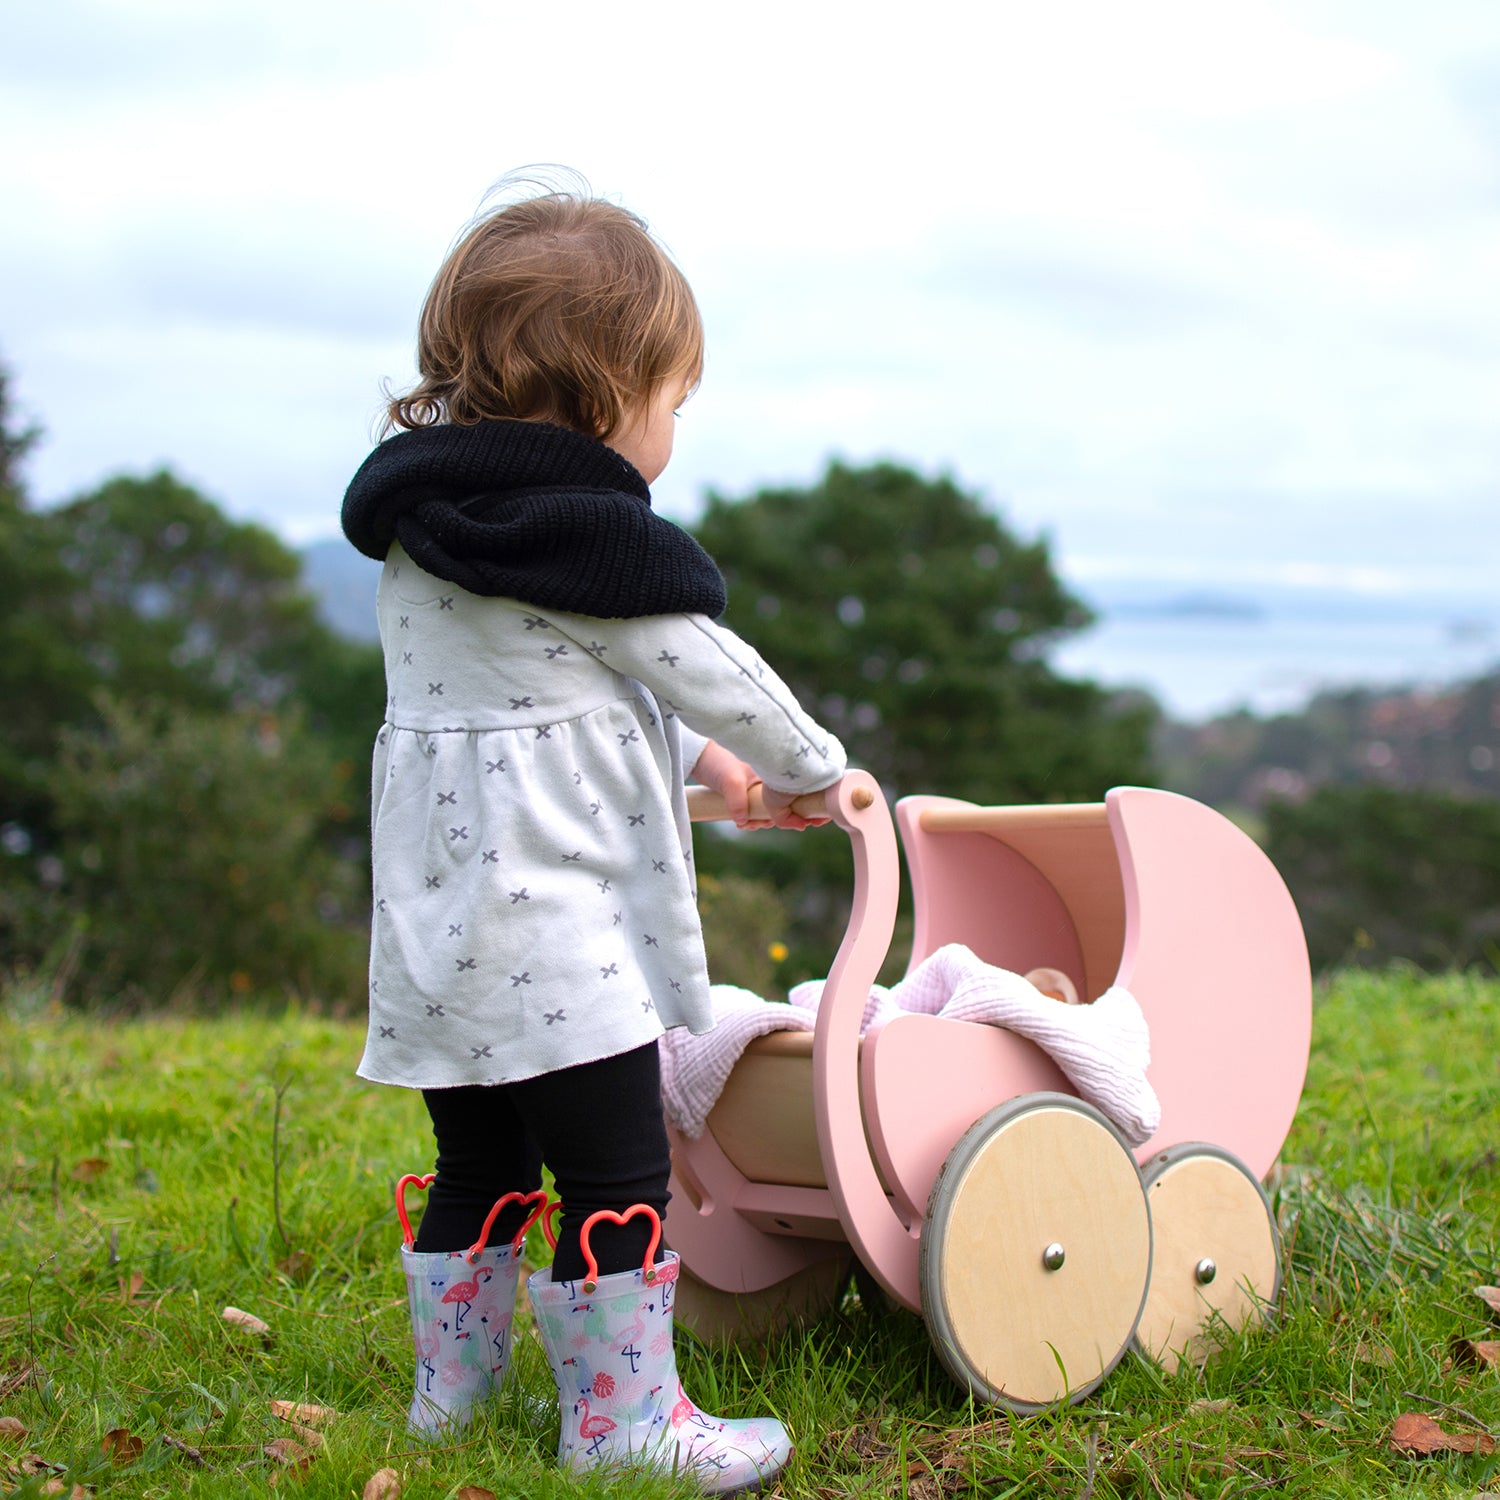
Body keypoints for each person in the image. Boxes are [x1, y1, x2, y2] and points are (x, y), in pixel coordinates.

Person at [341, 174, 845, 1492]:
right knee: (616, 1172)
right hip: (562, 948)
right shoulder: (587, 539)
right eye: (672, 400)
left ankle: (449, 1402)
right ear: (599, 397)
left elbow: (556, 699)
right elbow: (696, 662)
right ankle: (623, 1427)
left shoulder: (435, 528)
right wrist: (809, 767)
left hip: (447, 930)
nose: (675, 426)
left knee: (482, 1163)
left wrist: (715, 778)